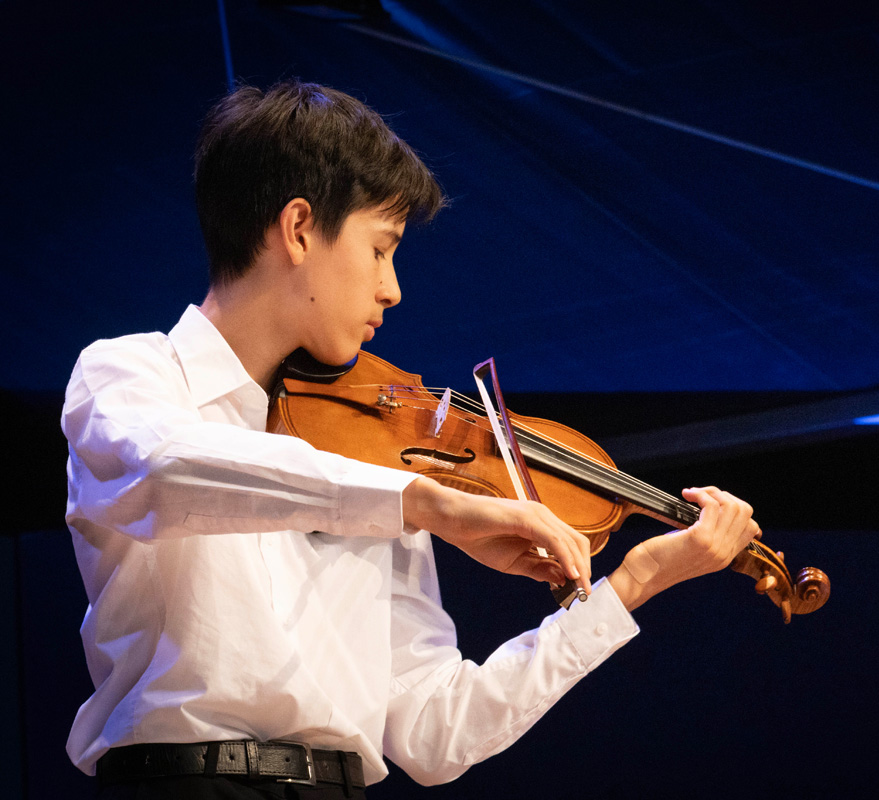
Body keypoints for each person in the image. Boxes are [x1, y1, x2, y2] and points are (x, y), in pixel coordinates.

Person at [62, 80, 762, 799]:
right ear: (299, 229)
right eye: (380, 249)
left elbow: (435, 731)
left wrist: (632, 586)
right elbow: (164, 472)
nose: (392, 288)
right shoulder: (129, 375)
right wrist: (427, 504)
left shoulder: (376, 456)